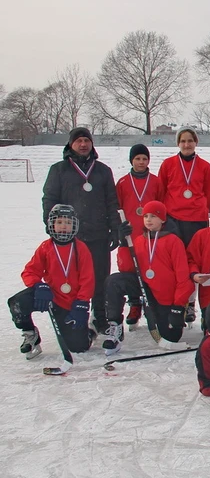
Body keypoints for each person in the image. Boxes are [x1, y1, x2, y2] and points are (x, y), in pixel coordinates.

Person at [41, 127, 121, 333]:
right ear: (70, 144)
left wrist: (115, 228)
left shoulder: (103, 170)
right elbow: (49, 199)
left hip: (99, 233)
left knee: (100, 276)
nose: (83, 144)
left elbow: (112, 202)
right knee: (73, 277)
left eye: (87, 140)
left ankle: (100, 317)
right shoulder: (59, 170)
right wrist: (52, 227)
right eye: (79, 141)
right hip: (70, 236)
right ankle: (74, 316)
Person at [8, 205, 95, 369]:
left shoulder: (81, 249)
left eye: (68, 222)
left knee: (78, 347)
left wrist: (82, 303)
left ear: (75, 225)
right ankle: (30, 334)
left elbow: (87, 279)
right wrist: (39, 286)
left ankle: (89, 331)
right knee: (17, 303)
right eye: (59, 222)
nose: (63, 226)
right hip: (50, 296)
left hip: (70, 303)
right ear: (51, 225)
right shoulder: (45, 247)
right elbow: (30, 271)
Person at [103, 201, 194, 352]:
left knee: (171, 336)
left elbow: (183, 277)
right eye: (146, 216)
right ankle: (115, 326)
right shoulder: (139, 240)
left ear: (163, 219)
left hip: (165, 296)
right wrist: (123, 244)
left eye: (153, 216)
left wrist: (178, 307)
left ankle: (164, 316)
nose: (149, 220)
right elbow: (127, 268)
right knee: (114, 281)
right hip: (145, 288)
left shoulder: (173, 241)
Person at [158, 127, 210, 325]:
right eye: (183, 141)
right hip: (174, 220)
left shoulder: (205, 166)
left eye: (190, 140)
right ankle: (180, 302)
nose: (187, 144)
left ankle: (194, 304)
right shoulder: (168, 165)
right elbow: (161, 192)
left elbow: (209, 194)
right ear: (178, 143)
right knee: (177, 264)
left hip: (197, 219)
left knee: (197, 264)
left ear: (196, 142)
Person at [115, 143, 162, 329]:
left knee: (151, 268)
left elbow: (161, 206)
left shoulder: (156, 181)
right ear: (131, 161)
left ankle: (153, 302)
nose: (141, 162)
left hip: (149, 234)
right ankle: (135, 303)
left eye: (144, 158)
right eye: (137, 159)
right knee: (128, 269)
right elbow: (117, 208)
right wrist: (119, 230)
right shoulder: (123, 182)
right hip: (130, 235)